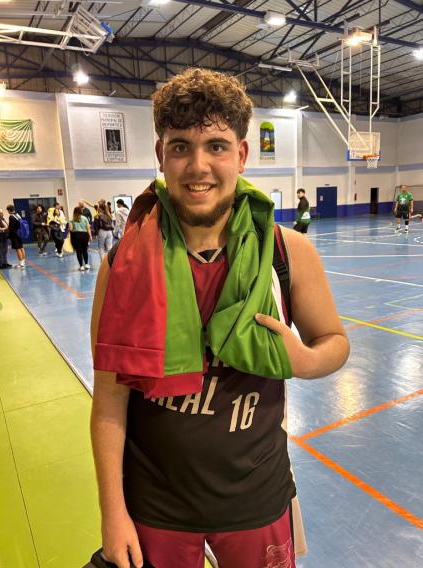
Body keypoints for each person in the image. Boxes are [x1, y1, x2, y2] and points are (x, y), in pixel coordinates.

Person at [90, 68, 350, 568]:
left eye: (216, 146)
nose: (198, 166)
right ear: (160, 154)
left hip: (256, 496)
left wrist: (303, 361)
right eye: (180, 147)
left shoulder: (287, 253)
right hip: (156, 505)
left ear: (242, 155)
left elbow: (335, 342)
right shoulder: (121, 264)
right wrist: (112, 513)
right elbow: (108, 403)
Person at [69, 206, 92, 271]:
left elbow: (71, 229)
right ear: (81, 211)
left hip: (76, 235)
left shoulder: (72, 219)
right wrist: (90, 236)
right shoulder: (84, 218)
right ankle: (86, 264)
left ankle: (81, 266)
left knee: (78, 251)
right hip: (84, 235)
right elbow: (88, 228)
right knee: (85, 250)